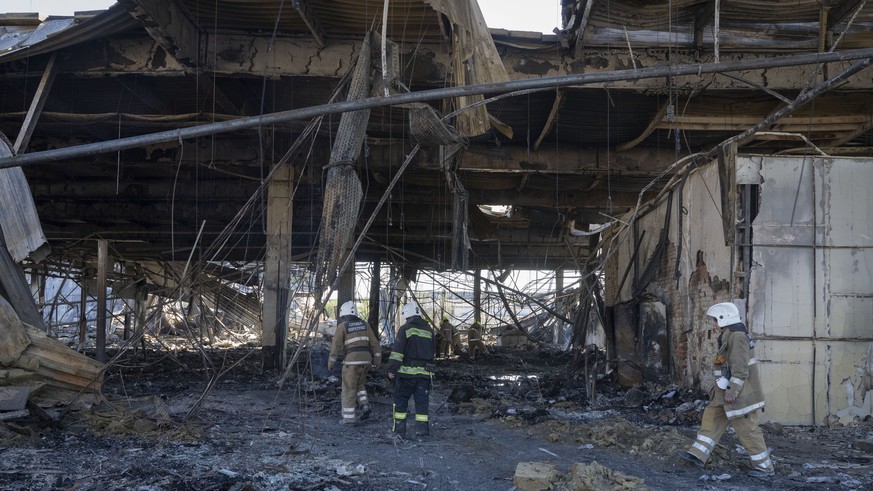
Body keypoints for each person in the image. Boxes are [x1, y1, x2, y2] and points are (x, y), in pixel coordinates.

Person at [677, 302, 775, 479]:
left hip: (739, 395)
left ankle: (765, 468)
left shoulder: (737, 337)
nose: (713, 325)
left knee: (747, 429)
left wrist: (732, 391)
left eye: (715, 320)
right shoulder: (727, 335)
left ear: (724, 319)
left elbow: (740, 369)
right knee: (711, 417)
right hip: (725, 393)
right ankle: (698, 454)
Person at [328, 301, 381, 425]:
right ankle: (365, 405)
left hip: (351, 362)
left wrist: (331, 362)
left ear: (343, 315)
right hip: (366, 361)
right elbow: (375, 344)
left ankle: (349, 418)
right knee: (360, 386)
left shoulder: (342, 326)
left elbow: (336, 346)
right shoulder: (365, 325)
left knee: (348, 389)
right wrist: (377, 360)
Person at [387, 302, 435, 438]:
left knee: (401, 402)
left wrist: (392, 370)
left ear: (407, 315)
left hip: (406, 375)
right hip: (425, 376)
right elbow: (434, 353)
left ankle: (399, 432)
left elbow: (397, 352)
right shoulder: (429, 330)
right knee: (422, 405)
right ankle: (422, 433)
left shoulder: (405, 329)